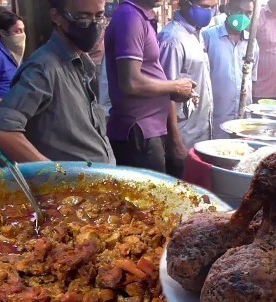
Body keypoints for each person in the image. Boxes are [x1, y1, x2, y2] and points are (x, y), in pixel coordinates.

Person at [0, 0, 115, 165]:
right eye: (83, 17)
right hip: (72, 187)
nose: (93, 25)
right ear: (57, 17)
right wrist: (55, 174)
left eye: (99, 16)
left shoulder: (80, 62)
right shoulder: (44, 68)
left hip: (97, 182)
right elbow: (1, 129)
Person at [104, 0, 195, 173]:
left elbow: (148, 74)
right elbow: (130, 82)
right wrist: (174, 87)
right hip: (139, 130)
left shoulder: (140, 16)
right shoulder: (130, 17)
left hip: (149, 129)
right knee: (147, 197)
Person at [158, 0, 216, 178]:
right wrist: (175, 143)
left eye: (212, 7)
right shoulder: (172, 39)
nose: (208, 11)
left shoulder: (197, 35)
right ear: (184, 3)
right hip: (184, 137)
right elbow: (164, 97)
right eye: (203, 6)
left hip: (199, 134)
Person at [202, 0, 258, 139]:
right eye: (239, 11)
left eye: (248, 13)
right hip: (215, 119)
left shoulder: (252, 43)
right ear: (227, 9)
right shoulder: (208, 37)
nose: (243, 17)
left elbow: (253, 80)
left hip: (242, 122)